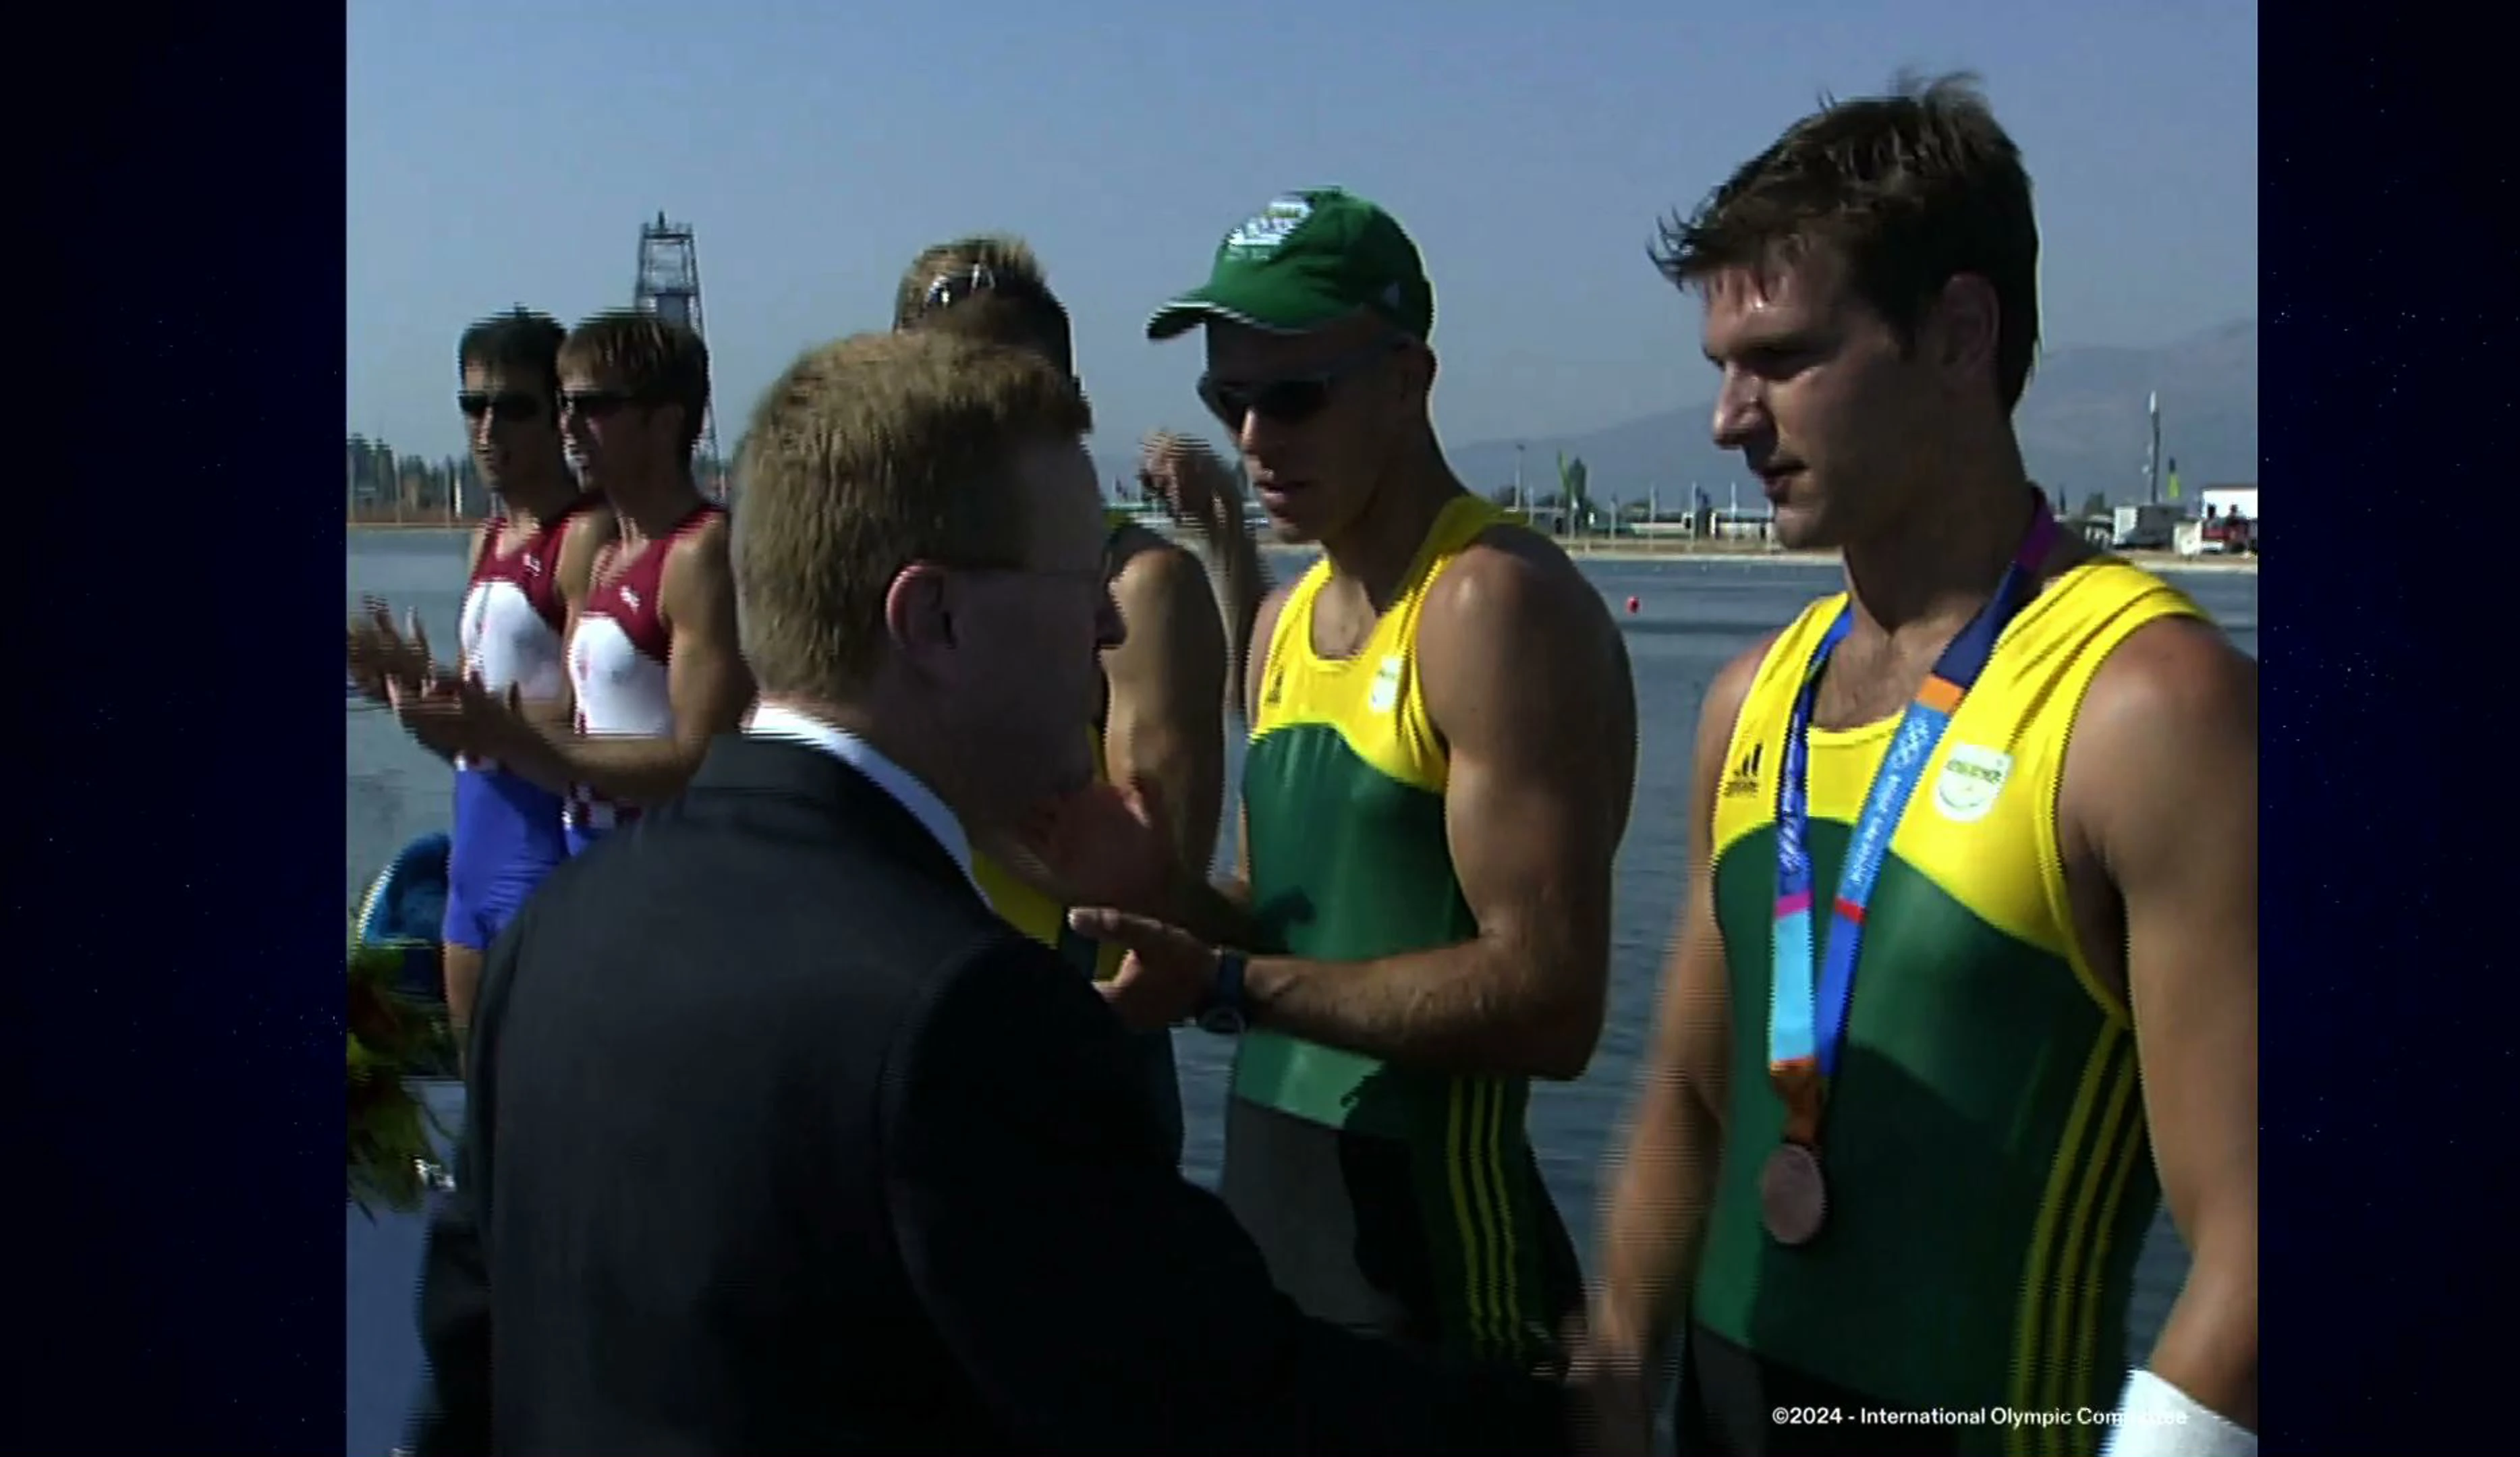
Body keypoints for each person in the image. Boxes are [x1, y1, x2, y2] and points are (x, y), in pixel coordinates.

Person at [409, 327, 1594, 1455]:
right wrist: (1569, 1418)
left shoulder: (558, 937)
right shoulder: (962, 1016)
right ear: (934, 620)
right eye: (1078, 576)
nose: (1105, 621)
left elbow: (469, 1358)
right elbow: (1220, 1404)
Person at [1588, 75, 2257, 1457]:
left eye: (1780, 358)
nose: (1727, 419)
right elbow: (1692, 1093)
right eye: (1722, 365)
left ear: (1959, 333)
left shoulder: (2148, 707)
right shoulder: (1747, 704)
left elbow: (2258, 1240)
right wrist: (1611, 1365)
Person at [1038, 186, 1639, 1379]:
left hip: (1442, 1283)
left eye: (1296, 397)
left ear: (1411, 378)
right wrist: (1133, 877)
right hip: (1280, 1250)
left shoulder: (1488, 607)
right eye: (1231, 399)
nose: (1256, 439)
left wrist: (1224, 982)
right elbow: (1285, 919)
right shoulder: (1283, 621)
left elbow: (1551, 1001)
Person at [889, 234, 1256, 1164]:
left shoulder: (1140, 589)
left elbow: (1152, 890)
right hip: (889, 1026)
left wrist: (893, 776)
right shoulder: (876, 574)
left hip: (1067, 1050)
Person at [351, 307, 614, 1039]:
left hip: (551, 854)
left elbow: (596, 729)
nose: (488, 429)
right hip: (476, 849)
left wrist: (469, 714)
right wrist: (410, 696)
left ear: (559, 416)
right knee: (483, 1109)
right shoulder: (486, 541)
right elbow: (470, 734)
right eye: (474, 405)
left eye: (513, 407)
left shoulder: (586, 536)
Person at [405, 310, 754, 856]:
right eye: (565, 404)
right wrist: (437, 704)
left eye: (594, 407)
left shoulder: (699, 551)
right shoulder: (611, 554)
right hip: (583, 855)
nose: (567, 426)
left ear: (665, 422)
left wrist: (517, 737)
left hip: (661, 871)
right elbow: (580, 730)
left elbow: (705, 760)